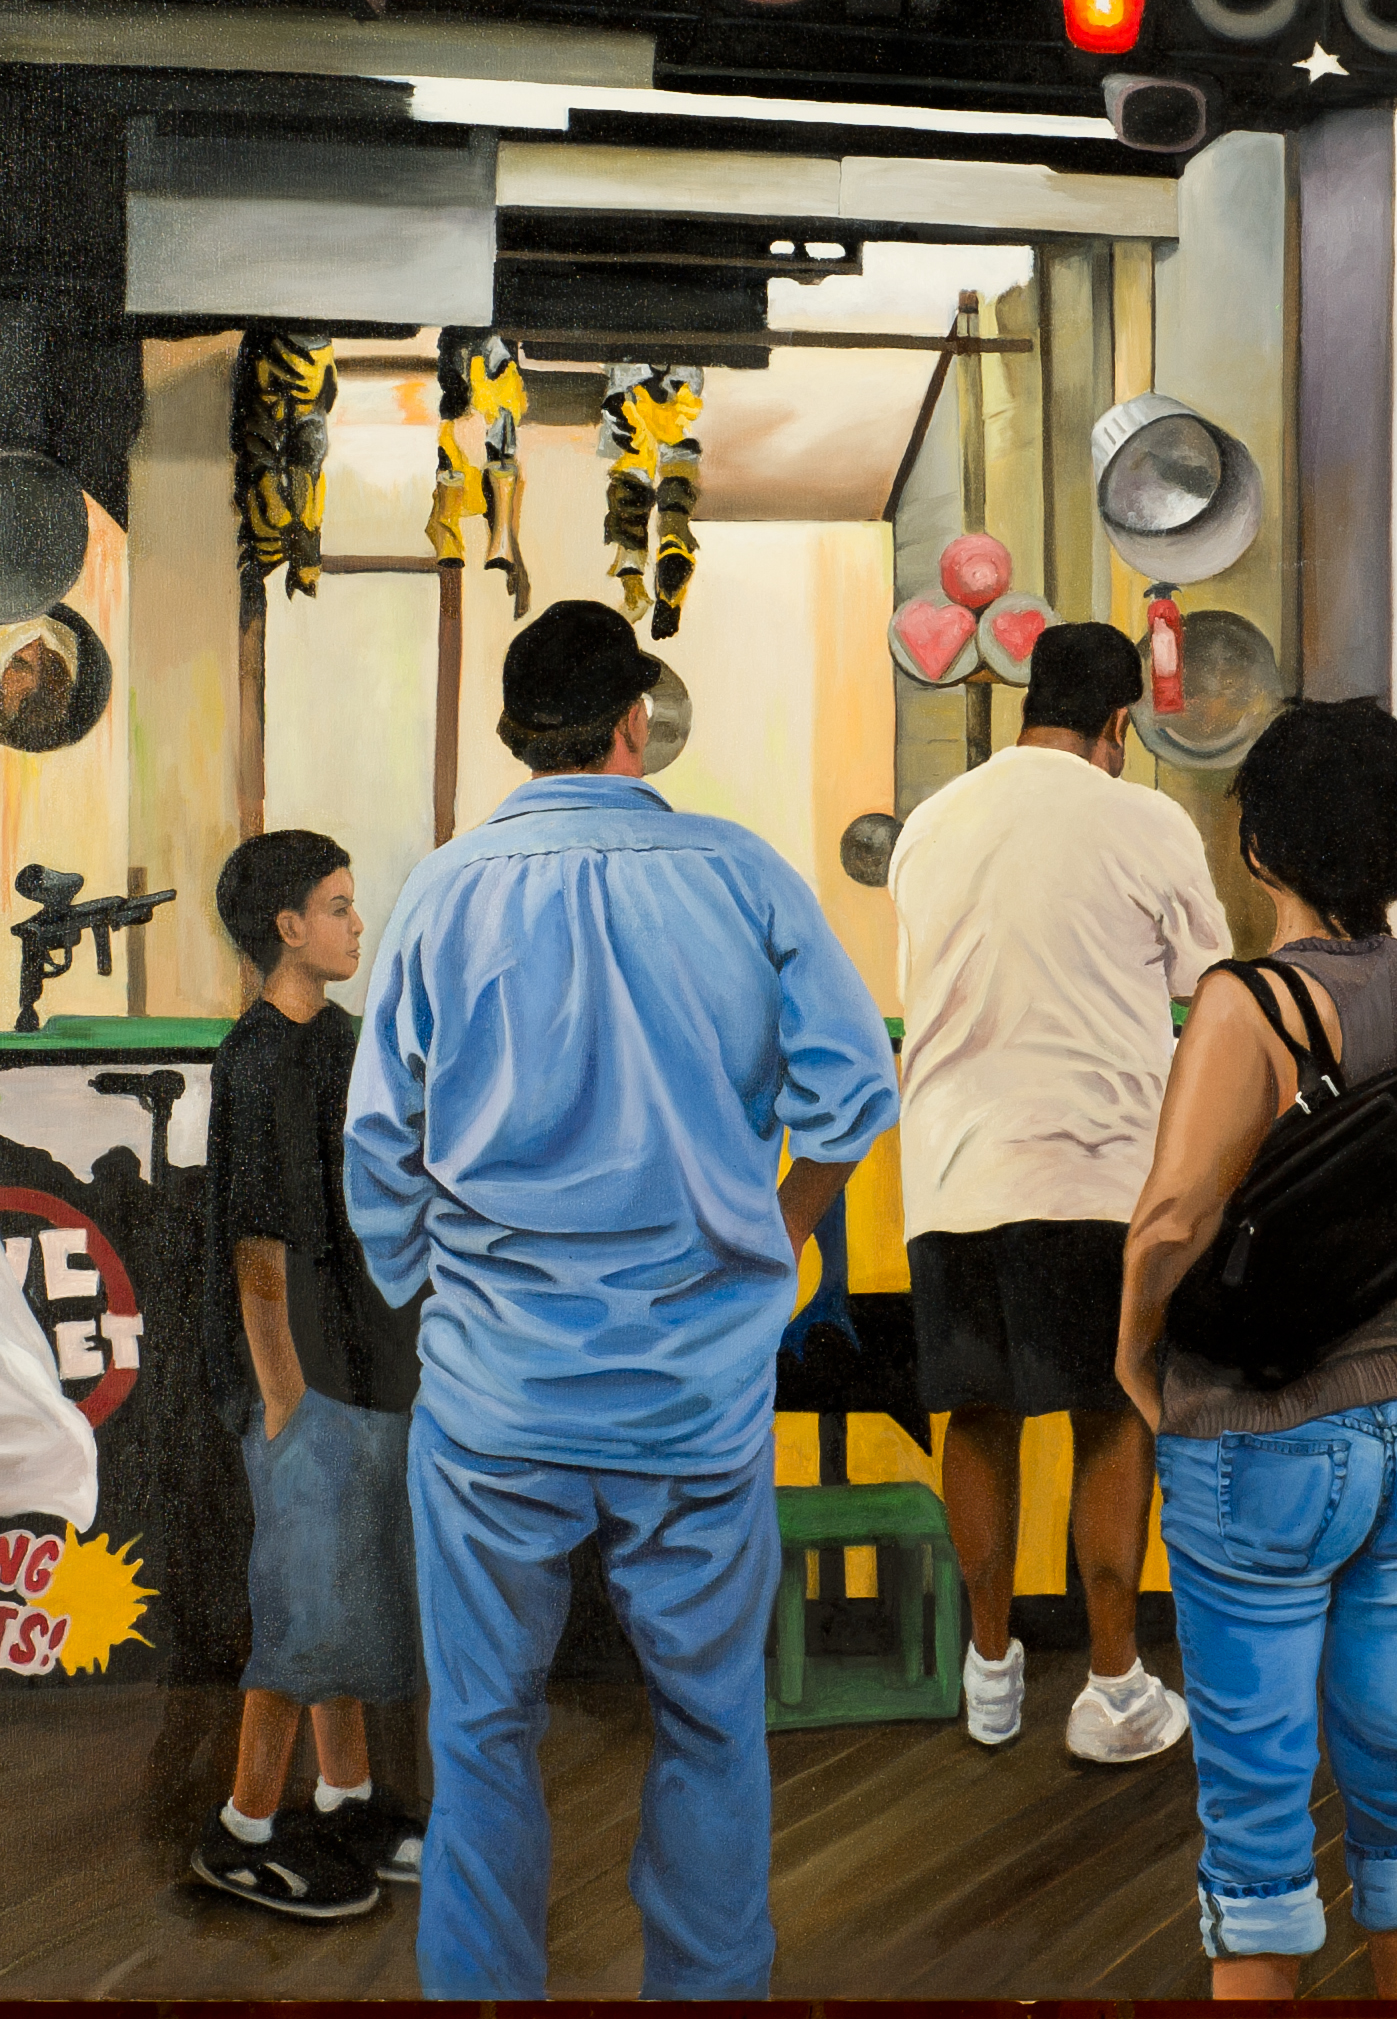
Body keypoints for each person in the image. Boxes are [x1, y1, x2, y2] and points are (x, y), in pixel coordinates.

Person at [345, 601, 900, 1999]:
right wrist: (775, 1238)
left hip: (493, 1396)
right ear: (635, 724)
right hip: (695, 1390)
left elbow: (378, 1146)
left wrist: (439, 1292)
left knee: (481, 1733)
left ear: (513, 735)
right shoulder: (743, 875)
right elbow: (855, 1091)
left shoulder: (442, 892)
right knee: (711, 1723)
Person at [1117, 700, 1397, 2000]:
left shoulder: (1244, 1005)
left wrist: (1135, 1356)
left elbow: (1173, 1220)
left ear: (1260, 848)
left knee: (1257, 1801)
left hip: (1260, 1438)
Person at [887, 621, 1227, 1763]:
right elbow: (1212, 991)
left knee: (977, 1415)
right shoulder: (1147, 820)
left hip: (952, 1170)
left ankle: (990, 1672)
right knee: (1110, 1414)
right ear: (1118, 722)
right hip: (1097, 1168)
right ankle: (1114, 1686)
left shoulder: (933, 823)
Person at [193, 830, 425, 1922]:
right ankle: (241, 1827)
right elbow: (256, 1246)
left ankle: (345, 1797)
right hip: (299, 1376)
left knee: (349, 1587)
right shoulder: (256, 1059)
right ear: (287, 928)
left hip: (366, 1358)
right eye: (338, 906)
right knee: (302, 1604)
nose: (357, 922)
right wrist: (283, 1394)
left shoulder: (347, 1040)